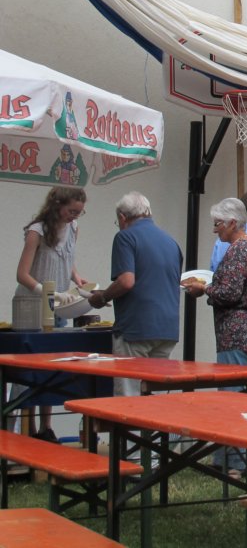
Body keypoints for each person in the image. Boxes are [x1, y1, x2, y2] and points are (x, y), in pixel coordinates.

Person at [183, 198, 247, 477]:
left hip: (238, 335)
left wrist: (204, 288)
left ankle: (234, 467)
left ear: (233, 223)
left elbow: (230, 293)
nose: (215, 230)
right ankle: (224, 460)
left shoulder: (237, 250)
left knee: (232, 401)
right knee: (244, 400)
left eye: (218, 224)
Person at [88, 192, 182, 397]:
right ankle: (154, 431)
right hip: (167, 328)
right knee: (155, 395)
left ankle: (125, 431)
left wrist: (102, 297)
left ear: (122, 218)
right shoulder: (170, 242)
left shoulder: (125, 237)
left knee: (129, 395)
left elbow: (126, 281)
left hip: (135, 328)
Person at [14, 186, 89, 440]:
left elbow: (66, 259)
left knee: (53, 365)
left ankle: (47, 426)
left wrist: (77, 278)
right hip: (31, 305)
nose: (74, 217)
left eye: (79, 213)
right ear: (57, 206)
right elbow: (22, 274)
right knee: (30, 366)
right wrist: (47, 293)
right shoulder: (37, 231)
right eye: (71, 211)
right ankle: (28, 426)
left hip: (58, 305)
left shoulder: (74, 229)